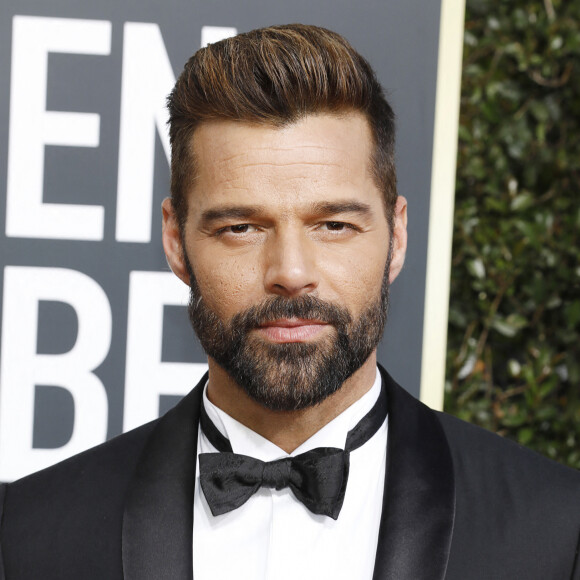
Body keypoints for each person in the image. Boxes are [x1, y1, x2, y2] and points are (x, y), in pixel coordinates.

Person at [0, 23, 579, 580]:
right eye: (241, 228)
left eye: (333, 225)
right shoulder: (28, 534)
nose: (291, 273)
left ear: (396, 236)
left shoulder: (556, 527)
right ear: (176, 242)